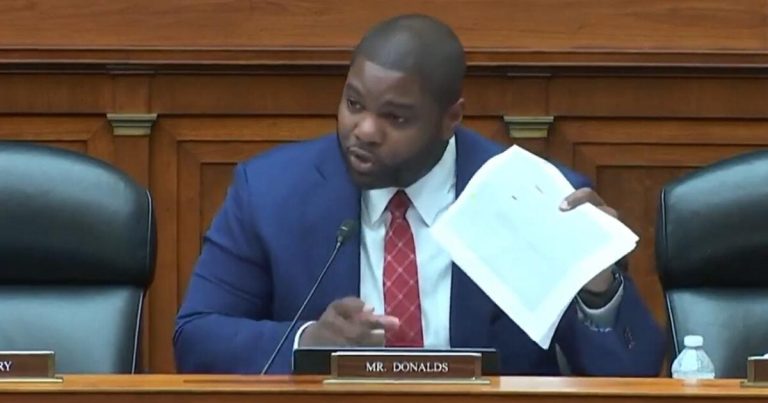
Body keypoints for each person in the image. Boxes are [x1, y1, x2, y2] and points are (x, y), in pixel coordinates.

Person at [173, 14, 665, 375]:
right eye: (353, 104)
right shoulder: (271, 191)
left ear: (450, 118)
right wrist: (308, 341)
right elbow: (195, 337)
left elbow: (634, 371)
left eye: (395, 117)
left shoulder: (534, 198)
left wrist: (596, 287)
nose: (364, 130)